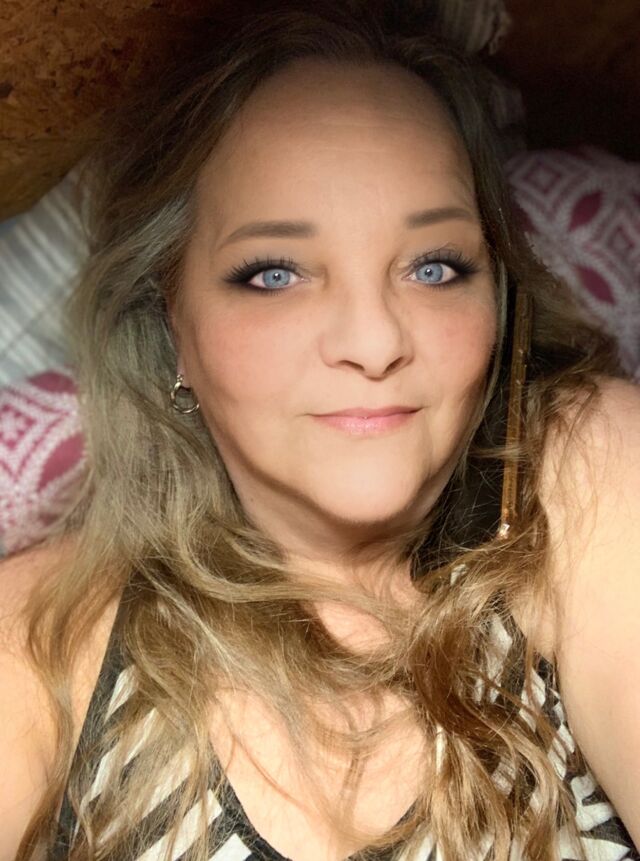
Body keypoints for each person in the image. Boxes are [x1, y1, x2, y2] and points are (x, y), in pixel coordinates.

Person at [1, 2, 638, 860]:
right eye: (276, 274)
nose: (374, 341)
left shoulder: (585, 475)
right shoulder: (37, 647)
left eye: (435, 266)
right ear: (173, 321)